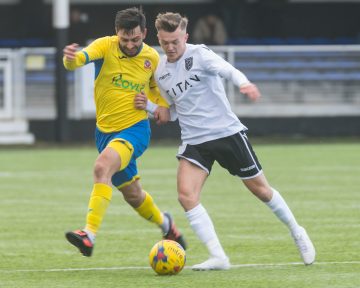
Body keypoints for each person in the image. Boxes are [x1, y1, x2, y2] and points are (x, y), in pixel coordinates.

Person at [134, 12, 315, 270]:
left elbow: (228, 70)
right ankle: (219, 257)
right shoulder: (161, 72)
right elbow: (174, 111)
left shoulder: (200, 54)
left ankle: (297, 231)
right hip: (194, 141)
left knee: (261, 190)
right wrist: (150, 107)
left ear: (185, 36)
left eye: (175, 41)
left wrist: (245, 83)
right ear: (158, 39)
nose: (171, 47)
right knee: (186, 196)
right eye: (165, 42)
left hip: (226, 133)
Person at [63, 7, 186, 257]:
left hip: (135, 130)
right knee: (133, 195)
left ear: (145, 33)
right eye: (124, 39)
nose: (130, 45)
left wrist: (152, 107)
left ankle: (89, 234)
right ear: (116, 33)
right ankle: (167, 225)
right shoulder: (104, 46)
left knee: (101, 167)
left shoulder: (152, 58)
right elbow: (78, 60)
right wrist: (69, 58)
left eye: (136, 39)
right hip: (104, 134)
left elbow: (159, 97)